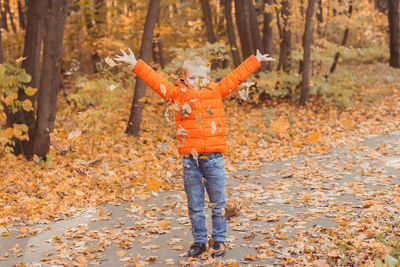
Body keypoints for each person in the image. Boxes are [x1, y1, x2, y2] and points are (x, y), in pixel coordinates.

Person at [115, 48, 274, 258]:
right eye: (192, 78)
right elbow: (155, 81)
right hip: (190, 161)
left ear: (207, 78)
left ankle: (218, 241)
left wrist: (255, 60)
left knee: (218, 204)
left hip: (214, 159)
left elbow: (236, 77)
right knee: (195, 206)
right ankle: (199, 241)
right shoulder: (177, 94)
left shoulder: (216, 90)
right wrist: (135, 64)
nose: (197, 81)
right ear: (185, 77)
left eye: (201, 77)